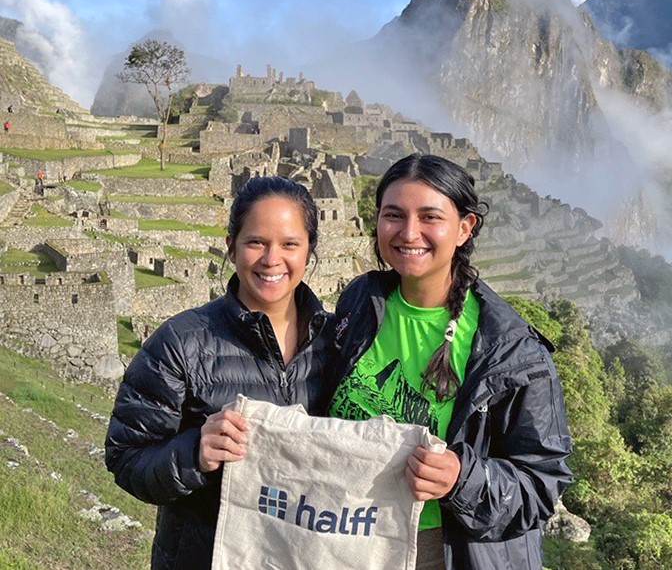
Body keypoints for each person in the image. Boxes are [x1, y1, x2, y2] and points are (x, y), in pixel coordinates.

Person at [329, 154, 572, 570]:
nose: (409, 233)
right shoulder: (361, 301)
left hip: (439, 552)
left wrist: (461, 478)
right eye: (394, 215)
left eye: (429, 217)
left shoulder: (510, 352)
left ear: (464, 227)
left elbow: (542, 485)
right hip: (344, 534)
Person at [105, 176, 336, 570]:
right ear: (231, 247)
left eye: (289, 244)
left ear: (309, 250)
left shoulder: (338, 343)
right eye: (256, 242)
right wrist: (195, 452)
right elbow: (126, 458)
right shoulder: (181, 342)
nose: (271, 259)